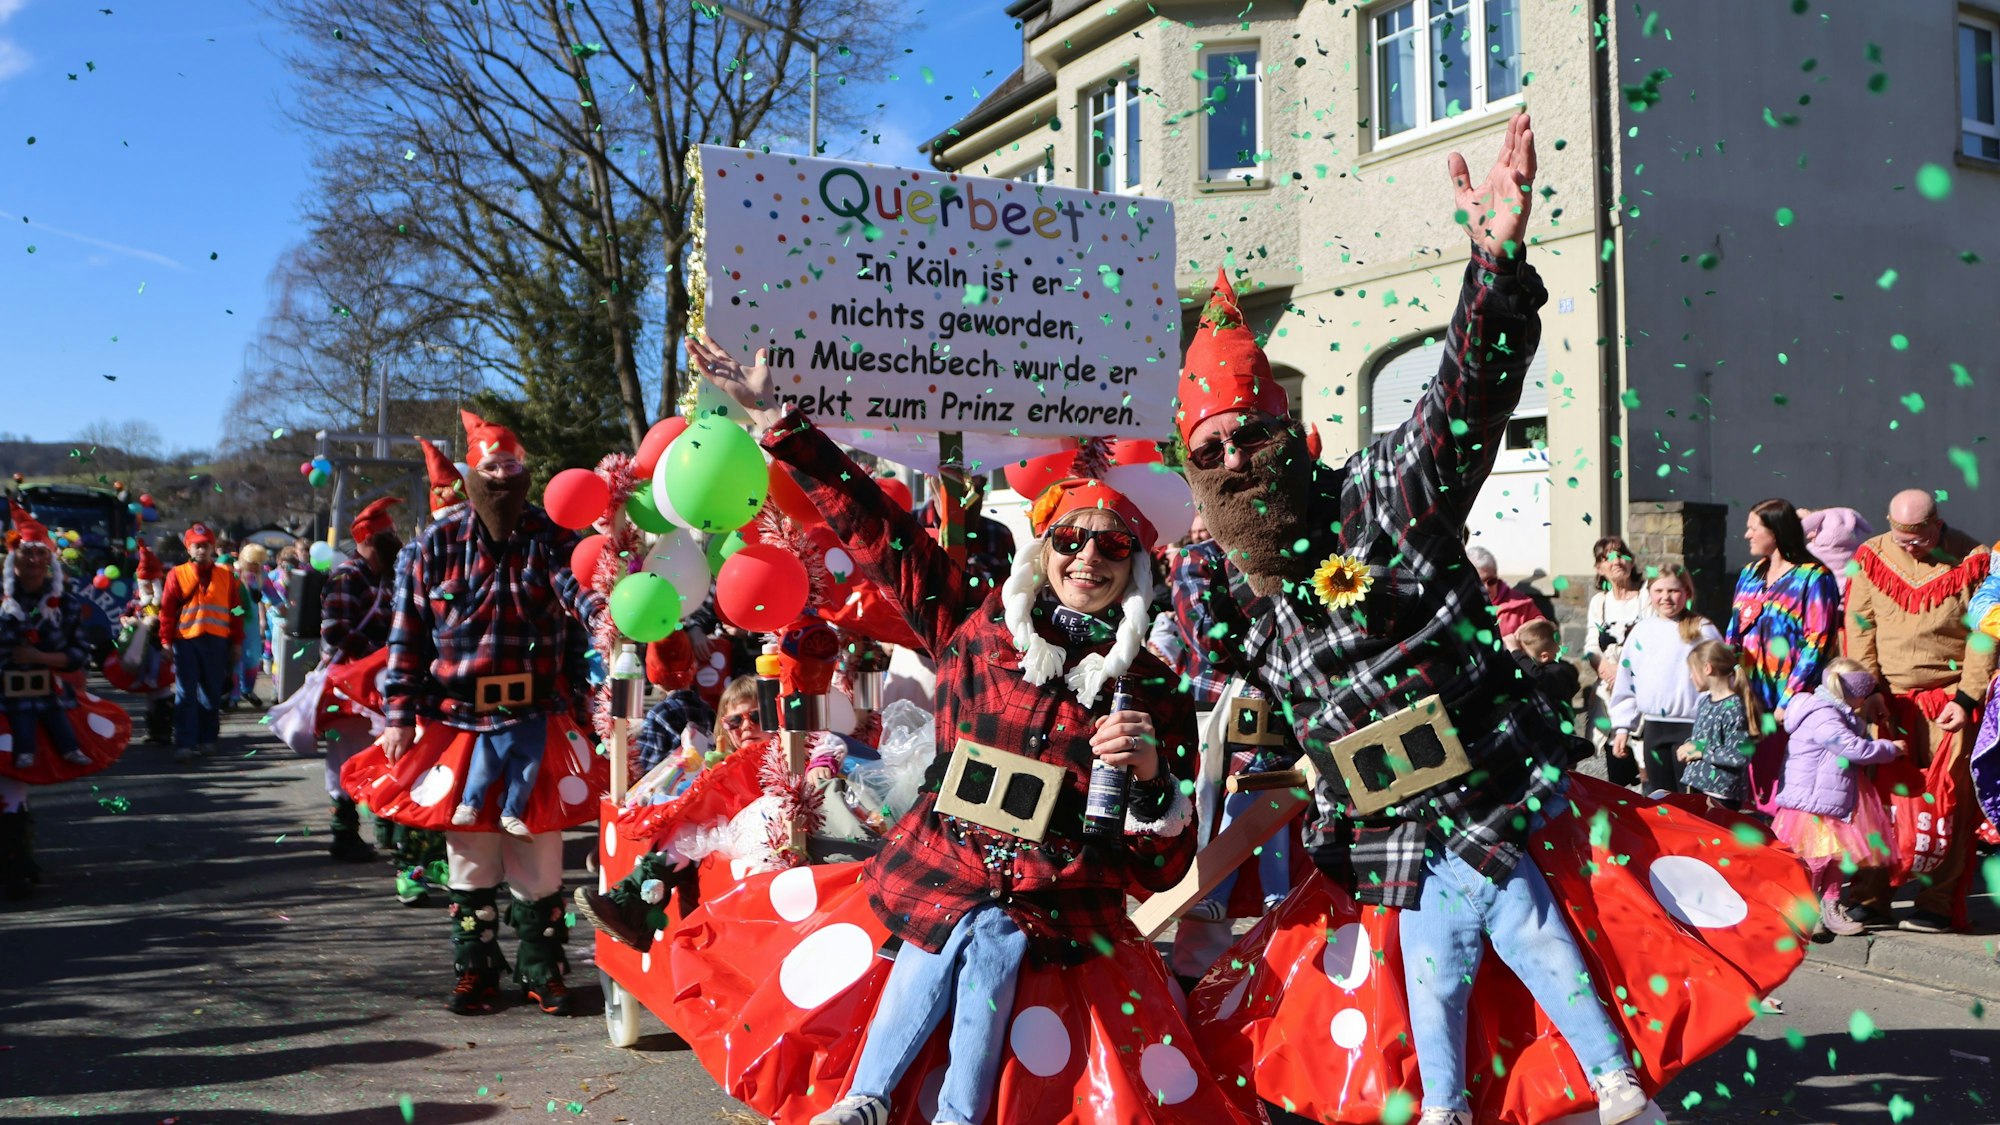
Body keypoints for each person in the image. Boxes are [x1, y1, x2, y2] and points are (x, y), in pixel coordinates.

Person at [1175, 114, 1651, 1125]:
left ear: (1288, 431)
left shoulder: (1381, 494)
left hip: (1503, 805)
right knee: (1438, 1002)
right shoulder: (1239, 596)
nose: (1232, 462)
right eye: (1208, 455)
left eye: (1246, 436)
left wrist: (1494, 267)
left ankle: (1615, 1090)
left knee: (1567, 973)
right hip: (1393, 846)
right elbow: (1207, 674)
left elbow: (1461, 400)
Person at [690, 333, 1223, 1125]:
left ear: (1137, 567)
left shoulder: (1150, 687)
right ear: (1044, 549)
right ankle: (869, 1099)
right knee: (966, 920)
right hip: (941, 872)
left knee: (998, 930)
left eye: (1113, 544)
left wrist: (1151, 783)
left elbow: (1164, 868)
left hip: (1060, 906)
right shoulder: (977, 628)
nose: (1089, 558)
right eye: (1070, 539)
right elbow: (879, 534)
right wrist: (781, 423)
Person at [342, 410, 608, 1017]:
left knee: (538, 848)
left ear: (526, 471)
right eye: (491, 466)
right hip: (457, 721)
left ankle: (543, 966)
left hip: (537, 716)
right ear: (471, 473)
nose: (502, 475)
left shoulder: (552, 538)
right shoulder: (430, 548)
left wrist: (612, 616)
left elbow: (582, 598)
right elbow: (407, 639)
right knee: (469, 852)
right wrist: (398, 715)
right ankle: (475, 969)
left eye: (512, 464)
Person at [1843, 488, 1993, 933]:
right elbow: (1859, 626)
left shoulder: (1974, 559)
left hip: (1949, 702)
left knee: (1949, 804)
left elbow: (1985, 634)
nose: (1909, 546)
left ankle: (1937, 902)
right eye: (1900, 537)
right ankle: (1871, 896)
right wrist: (1867, 689)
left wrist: (1967, 699)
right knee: (1880, 804)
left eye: (1918, 537)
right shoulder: (1872, 556)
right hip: (1887, 702)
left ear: (1936, 523)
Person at [0, 501, 134, 898]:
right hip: (4, 699)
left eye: (40, 554)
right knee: (8, 779)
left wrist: (38, 657)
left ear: (50, 560)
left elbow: (77, 655)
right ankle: (15, 859)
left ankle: (16, 863)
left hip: (47, 699)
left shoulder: (68, 604)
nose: (34, 561)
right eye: (26, 554)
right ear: (13, 558)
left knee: (15, 781)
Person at [1772, 657, 1903, 937]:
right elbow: (1852, 748)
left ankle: (1829, 909)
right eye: (1863, 695)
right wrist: (1890, 748)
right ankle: (1804, 913)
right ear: (1852, 693)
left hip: (1829, 802)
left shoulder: (1836, 713)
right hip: (1812, 805)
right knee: (1816, 862)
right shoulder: (1823, 715)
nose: (1864, 701)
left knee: (1835, 859)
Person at [318, 496, 405, 864]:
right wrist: (378, 653)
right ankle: (344, 834)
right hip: (350, 687)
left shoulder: (389, 576)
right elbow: (335, 630)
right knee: (345, 757)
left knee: (387, 754)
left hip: (383, 685)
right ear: (369, 540)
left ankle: (387, 824)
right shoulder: (347, 576)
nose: (395, 542)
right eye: (388, 537)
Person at [1609, 564, 1722, 795]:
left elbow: (1720, 681)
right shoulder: (1641, 632)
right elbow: (1627, 681)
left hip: (1692, 728)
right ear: (1649, 593)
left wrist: (1712, 729)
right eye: (1659, 591)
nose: (1666, 597)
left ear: (1687, 592)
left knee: (1691, 799)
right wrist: (1622, 727)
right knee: (1661, 799)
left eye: (1673, 591)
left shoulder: (1703, 630)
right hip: (1654, 729)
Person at [1729, 498, 1842, 721]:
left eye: (1753, 529)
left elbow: (1818, 644)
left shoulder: (1814, 578)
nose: (1747, 535)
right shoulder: (1749, 574)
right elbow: (1733, 632)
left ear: (1776, 532)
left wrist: (1789, 699)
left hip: (1790, 707)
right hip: (1746, 700)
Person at [158, 523, 244, 765]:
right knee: (185, 693)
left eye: (206, 545)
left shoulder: (227, 575)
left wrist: (237, 642)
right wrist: (165, 642)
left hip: (217, 641)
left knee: (211, 693)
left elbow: (237, 610)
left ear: (212, 547)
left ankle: (207, 739)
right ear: (188, 548)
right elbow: (167, 611)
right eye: (197, 546)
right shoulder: (177, 574)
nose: (202, 550)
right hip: (186, 640)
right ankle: (185, 743)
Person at [1676, 640, 1755, 810]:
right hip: (1698, 787)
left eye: (1693, 671)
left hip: (1721, 796)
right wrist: (1690, 746)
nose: (1690, 677)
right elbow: (1703, 738)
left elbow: (1740, 755)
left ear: (1707, 668)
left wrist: (1702, 751)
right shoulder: (1705, 702)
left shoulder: (1733, 707)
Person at [916, 469, 1016, 594]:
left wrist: (963, 538)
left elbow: (1003, 598)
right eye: (947, 475)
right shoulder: (909, 528)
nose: (962, 483)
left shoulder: (999, 535)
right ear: (928, 475)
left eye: (972, 475)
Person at [1465, 544, 1545, 650]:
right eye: (1480, 582)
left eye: (1491, 581)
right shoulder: (1460, 605)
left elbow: (1545, 632)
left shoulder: (1521, 603)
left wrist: (1531, 628)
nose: (1487, 587)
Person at [1512, 617, 1581, 734]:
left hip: (1556, 733)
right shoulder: (1544, 668)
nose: (1524, 660)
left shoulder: (1560, 671)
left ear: (1544, 656)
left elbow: (1537, 676)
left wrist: (1516, 653)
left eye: (1526, 656)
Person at [1799, 506, 1874, 605]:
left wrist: (1806, 519)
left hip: (1825, 600)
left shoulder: (1813, 551)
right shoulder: (1858, 550)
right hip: (1851, 597)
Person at [233, 543, 272, 708]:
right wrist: (238, 613)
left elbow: (274, 597)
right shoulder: (233, 574)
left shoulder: (262, 575)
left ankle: (247, 690)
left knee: (253, 658)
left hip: (252, 626)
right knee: (235, 659)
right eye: (253, 563)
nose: (256, 567)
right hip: (235, 623)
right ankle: (234, 695)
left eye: (259, 563)